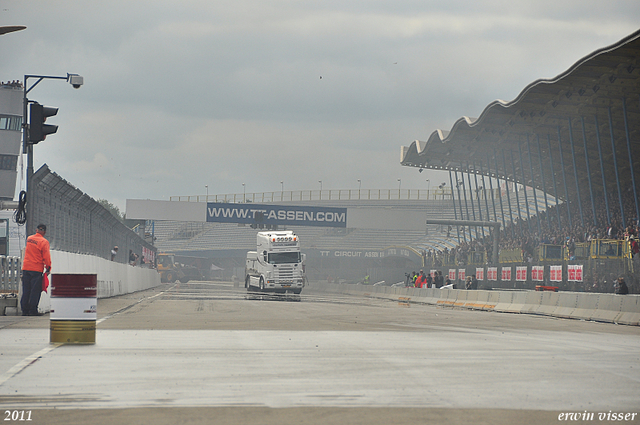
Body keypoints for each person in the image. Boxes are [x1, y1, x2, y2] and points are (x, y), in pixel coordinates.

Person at [21, 224, 51, 316]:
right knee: (35, 290)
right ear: (44, 232)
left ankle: (24, 310)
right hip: (36, 269)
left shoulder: (29, 239)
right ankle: (33, 310)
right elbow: (46, 256)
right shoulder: (44, 242)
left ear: (36, 230)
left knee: (26, 290)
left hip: (26, 267)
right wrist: (48, 267)